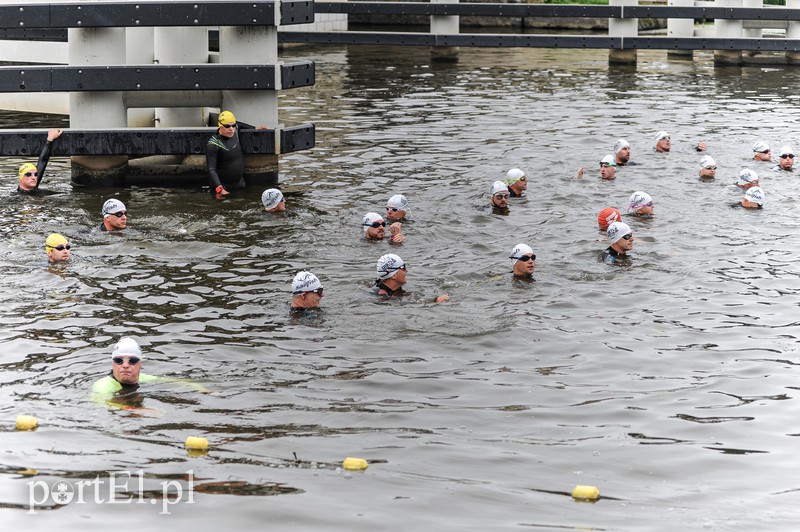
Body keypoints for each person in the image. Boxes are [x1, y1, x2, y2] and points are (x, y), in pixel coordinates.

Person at [91, 337, 207, 407]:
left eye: (132, 361)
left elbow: (174, 382)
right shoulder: (102, 386)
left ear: (140, 364)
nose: (125, 365)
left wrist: (201, 388)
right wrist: (133, 410)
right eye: (119, 361)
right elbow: (103, 405)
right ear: (112, 364)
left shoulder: (143, 378)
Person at [206, 110, 266, 198]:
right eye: (227, 126)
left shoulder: (234, 130)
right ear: (220, 125)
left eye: (233, 125)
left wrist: (255, 128)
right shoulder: (214, 144)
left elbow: (239, 125)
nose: (231, 129)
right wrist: (220, 189)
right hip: (224, 189)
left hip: (240, 184)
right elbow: (211, 169)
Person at [373, 253, 448, 302]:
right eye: (403, 268)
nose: (406, 271)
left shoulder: (391, 287)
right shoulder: (383, 297)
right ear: (393, 275)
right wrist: (436, 301)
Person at [16, 128, 63, 194]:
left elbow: (43, 160)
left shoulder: (34, 189)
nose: (33, 177)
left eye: (36, 174)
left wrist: (50, 139)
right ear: (21, 178)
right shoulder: (16, 197)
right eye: (28, 174)